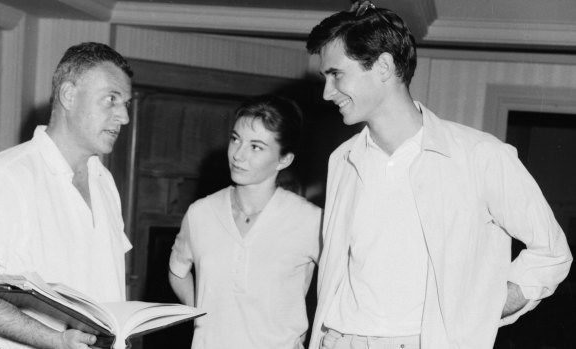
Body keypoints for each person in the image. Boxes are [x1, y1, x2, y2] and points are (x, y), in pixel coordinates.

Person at [305, 2, 572, 349]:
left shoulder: (479, 156)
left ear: (383, 66)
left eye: (336, 74)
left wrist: (478, 313)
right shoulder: (343, 160)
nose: (327, 92)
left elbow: (551, 254)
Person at [0, 42, 133, 349]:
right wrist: (56, 341)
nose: (124, 117)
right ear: (68, 95)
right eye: (111, 100)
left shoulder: (104, 181)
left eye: (126, 103)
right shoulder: (6, 176)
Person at [168, 95, 322, 349]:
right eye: (235, 139)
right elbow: (177, 272)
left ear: (284, 159)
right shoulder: (200, 213)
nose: (238, 155)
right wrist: (199, 314)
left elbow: (339, 292)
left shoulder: (311, 220)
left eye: (256, 146)